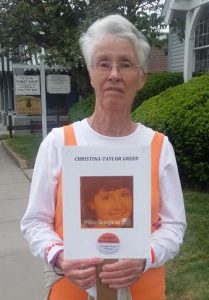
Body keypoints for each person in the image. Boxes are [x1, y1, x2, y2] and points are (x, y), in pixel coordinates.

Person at [21, 14, 186, 300]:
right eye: (104, 63)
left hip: (143, 290)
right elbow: (35, 221)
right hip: (72, 291)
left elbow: (173, 225)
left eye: (125, 64)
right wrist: (59, 256)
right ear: (91, 73)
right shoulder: (59, 143)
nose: (114, 74)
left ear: (142, 77)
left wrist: (145, 257)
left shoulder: (158, 147)